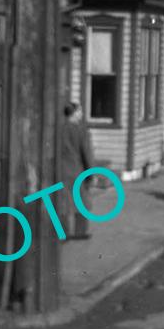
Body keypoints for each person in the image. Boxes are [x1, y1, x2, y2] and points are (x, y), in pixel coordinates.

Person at [60, 101, 96, 240]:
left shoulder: (59, 129)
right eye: (80, 111)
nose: (81, 114)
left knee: (63, 202)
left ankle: (63, 233)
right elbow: (86, 153)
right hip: (77, 171)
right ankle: (80, 232)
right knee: (82, 202)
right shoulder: (81, 130)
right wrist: (91, 173)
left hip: (61, 171)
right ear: (74, 113)